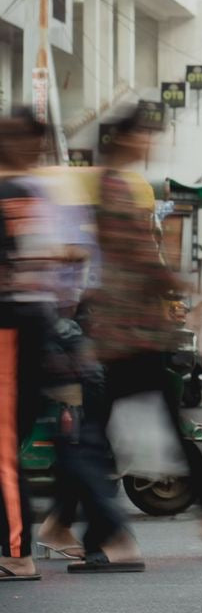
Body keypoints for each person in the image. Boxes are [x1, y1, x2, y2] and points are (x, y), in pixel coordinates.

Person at [76, 105, 202, 566]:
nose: (150, 144)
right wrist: (182, 286)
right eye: (144, 136)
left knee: (103, 432)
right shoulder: (114, 187)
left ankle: (93, 528)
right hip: (128, 332)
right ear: (123, 139)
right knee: (109, 433)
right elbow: (139, 259)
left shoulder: (112, 186)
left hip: (128, 331)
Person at [0, 113, 68, 581]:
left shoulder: (14, 193)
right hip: (35, 323)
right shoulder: (37, 193)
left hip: (12, 326)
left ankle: (16, 551)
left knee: (4, 447)